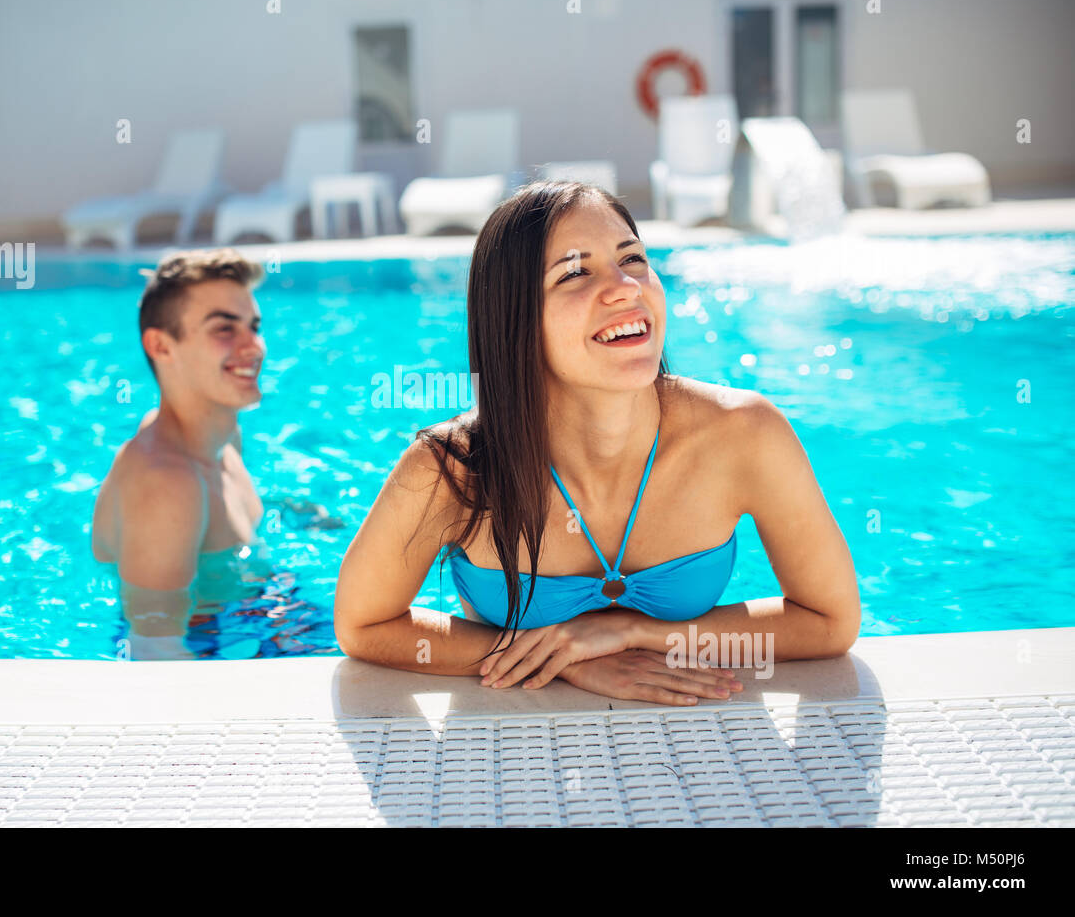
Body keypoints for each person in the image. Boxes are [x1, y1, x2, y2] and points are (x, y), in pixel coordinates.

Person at [334, 181, 861, 704]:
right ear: (515, 320)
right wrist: (557, 658)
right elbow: (363, 625)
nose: (627, 287)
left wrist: (634, 635)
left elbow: (829, 622)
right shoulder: (454, 467)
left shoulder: (744, 433)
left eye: (631, 259)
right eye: (575, 272)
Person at [91, 248, 267, 659]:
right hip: (217, 645)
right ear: (161, 346)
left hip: (249, 619)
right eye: (225, 329)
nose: (254, 347)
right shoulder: (167, 484)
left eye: (253, 326)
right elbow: (155, 654)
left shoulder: (221, 435)